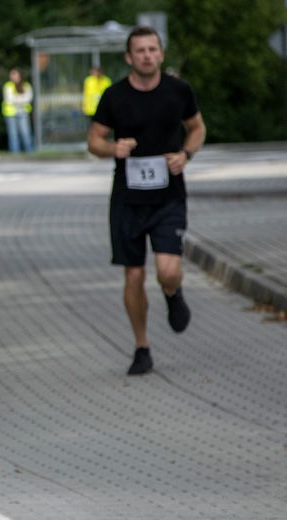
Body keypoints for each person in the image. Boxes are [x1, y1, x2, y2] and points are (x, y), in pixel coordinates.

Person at [87, 26, 206, 376]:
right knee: (134, 275)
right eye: (140, 50)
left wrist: (186, 154)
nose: (147, 56)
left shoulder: (179, 91)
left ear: (161, 54)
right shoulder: (114, 96)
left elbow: (197, 128)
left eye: (152, 49)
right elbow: (94, 140)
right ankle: (142, 347)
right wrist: (113, 148)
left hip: (169, 197)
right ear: (129, 57)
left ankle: (172, 293)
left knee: (168, 271)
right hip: (127, 200)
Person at [2, 68, 34, 154]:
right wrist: (21, 99)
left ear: (20, 76)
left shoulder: (26, 85)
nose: (13, 77)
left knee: (25, 133)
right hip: (11, 114)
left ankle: (30, 152)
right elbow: (9, 100)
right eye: (11, 75)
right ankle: (15, 154)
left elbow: (28, 98)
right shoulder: (8, 86)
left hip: (23, 112)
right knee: (13, 135)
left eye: (14, 74)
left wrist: (16, 98)